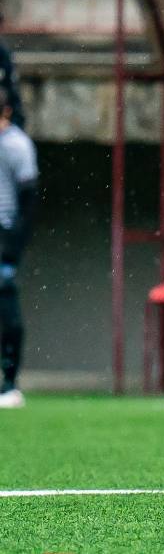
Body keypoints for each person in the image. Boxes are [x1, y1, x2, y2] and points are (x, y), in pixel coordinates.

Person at [0, 96, 38, 408]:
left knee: (7, 312)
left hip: (3, 235)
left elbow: (28, 200)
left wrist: (13, 246)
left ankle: (9, 383)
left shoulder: (17, 146)